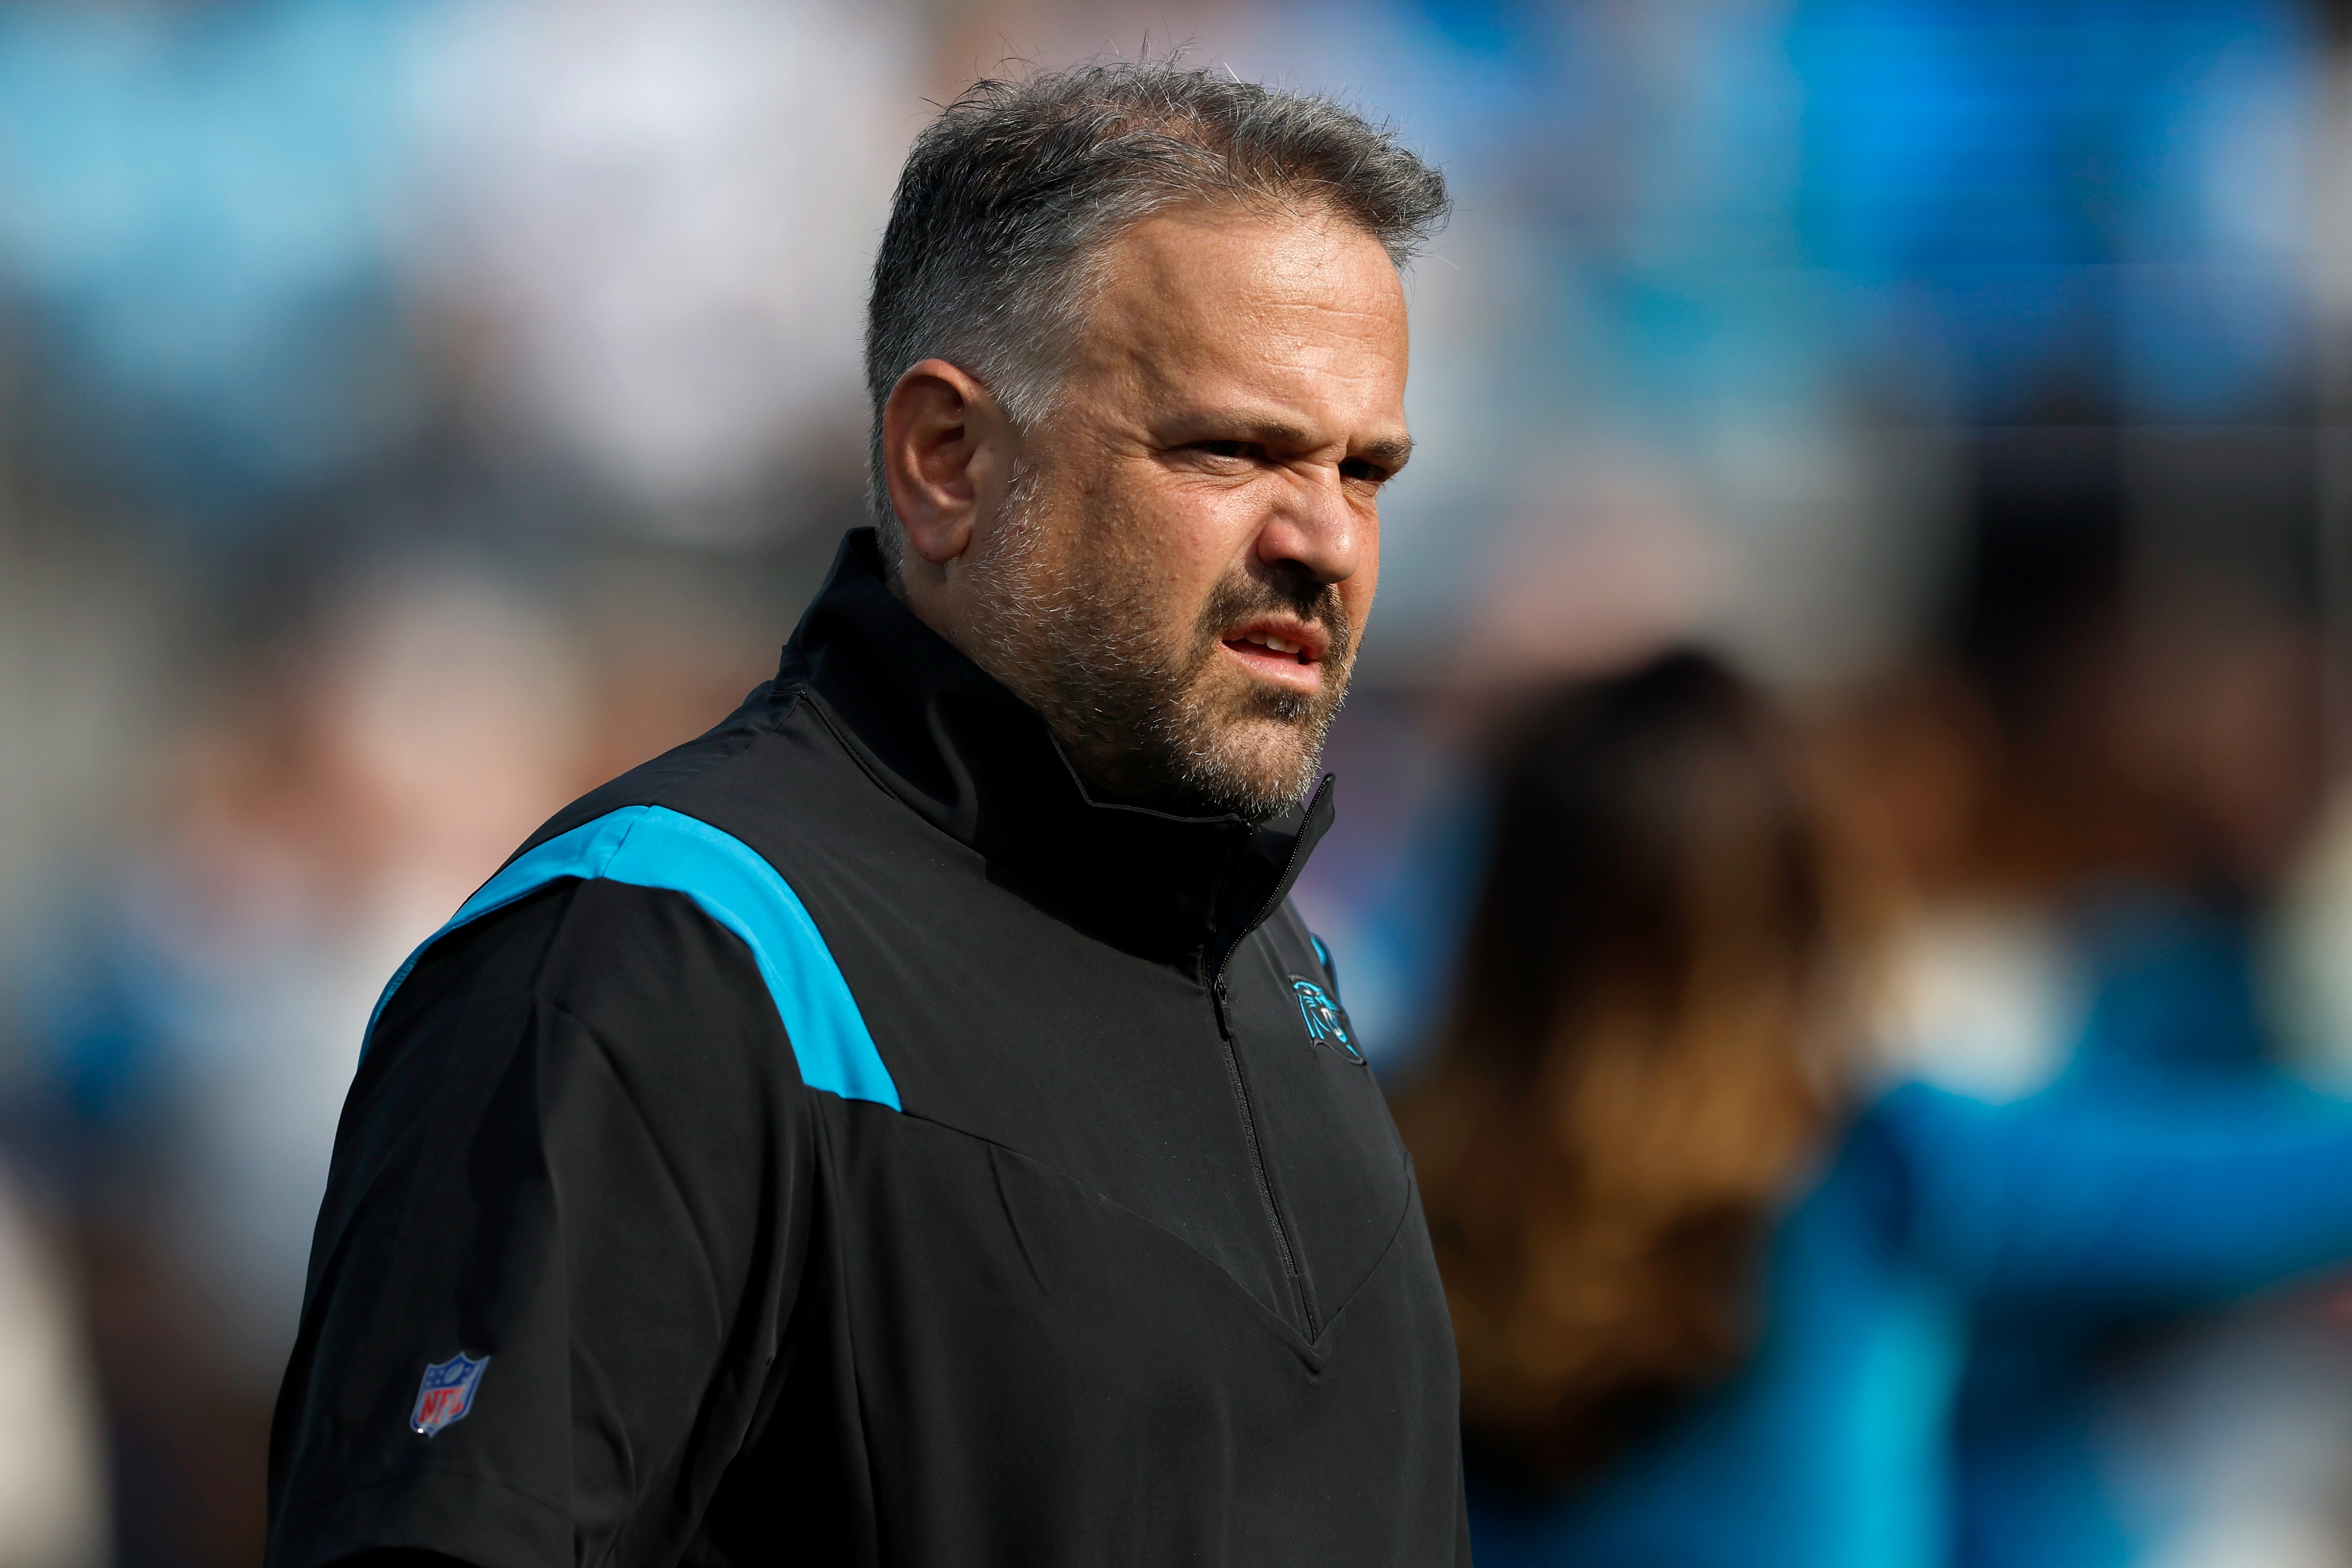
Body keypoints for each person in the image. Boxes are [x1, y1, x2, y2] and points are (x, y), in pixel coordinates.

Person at [265, 60, 1464, 1568]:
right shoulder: (662, 953)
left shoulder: (1286, 979)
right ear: (946, 458)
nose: (1325, 542)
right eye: (1232, 450)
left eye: (1367, 471)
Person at [1399, 649, 2352, 1568]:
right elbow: (2283, 1176)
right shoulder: (1878, 1173)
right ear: (1810, 908)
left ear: (1500, 918)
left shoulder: (1377, 1169)